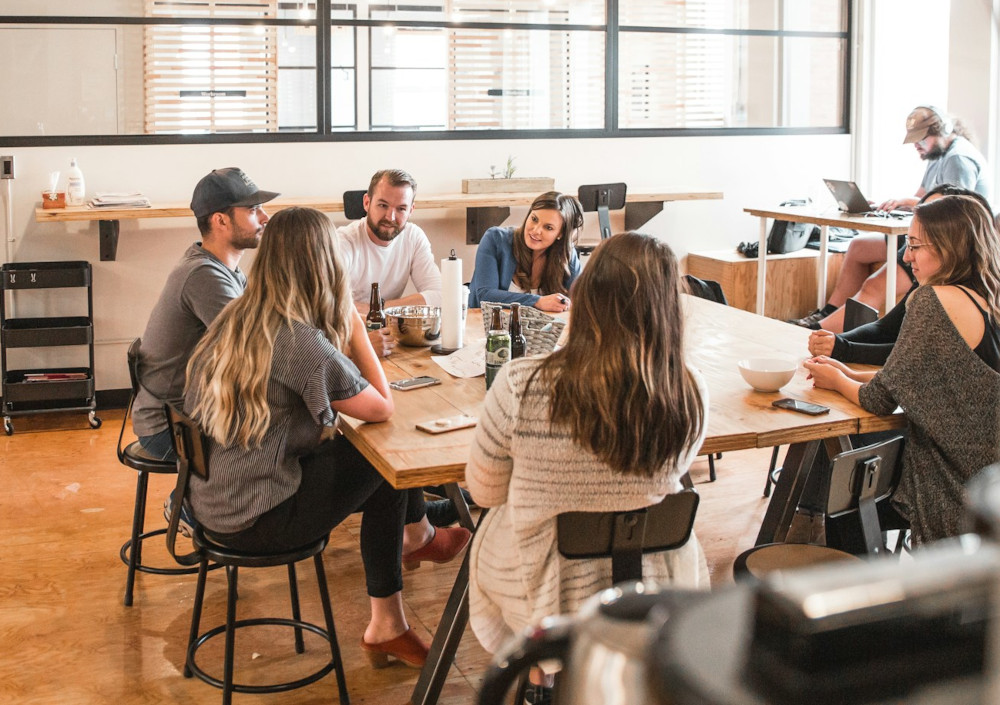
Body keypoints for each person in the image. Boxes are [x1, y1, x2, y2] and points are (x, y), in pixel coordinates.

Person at [183, 207, 470, 669]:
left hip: (213, 500)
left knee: (366, 458)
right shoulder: (298, 340)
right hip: (258, 518)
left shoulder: (237, 317)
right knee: (382, 461)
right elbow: (381, 405)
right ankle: (395, 601)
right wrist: (355, 324)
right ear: (326, 265)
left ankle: (410, 561)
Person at [467, 232, 710, 702]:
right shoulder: (689, 389)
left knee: (499, 523)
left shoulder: (524, 382)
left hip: (546, 583)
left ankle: (541, 675)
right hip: (651, 578)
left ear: (585, 295)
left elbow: (484, 492)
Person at [804, 194, 1000, 545]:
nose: (907, 257)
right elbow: (912, 378)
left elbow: (878, 399)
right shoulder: (987, 296)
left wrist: (836, 380)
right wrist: (845, 373)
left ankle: (864, 595)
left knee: (846, 501)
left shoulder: (934, 300)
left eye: (914, 245)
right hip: (988, 481)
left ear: (948, 247)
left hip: (955, 487)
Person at [791, 106, 993, 332]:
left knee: (874, 285)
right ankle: (830, 311)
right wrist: (895, 204)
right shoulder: (937, 155)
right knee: (858, 247)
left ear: (942, 131)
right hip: (929, 236)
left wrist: (911, 203)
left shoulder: (959, 159)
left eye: (921, 139)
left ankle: (821, 331)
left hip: (946, 244)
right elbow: (922, 197)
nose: (917, 146)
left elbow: (954, 213)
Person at [132, 167, 278, 461]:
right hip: (173, 429)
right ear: (221, 220)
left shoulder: (224, 270)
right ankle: (192, 505)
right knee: (289, 443)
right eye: (252, 210)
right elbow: (257, 348)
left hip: (191, 415)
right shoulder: (203, 275)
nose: (264, 218)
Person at [807, 185, 995, 365]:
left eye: (915, 243)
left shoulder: (948, 297)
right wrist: (834, 340)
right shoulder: (943, 282)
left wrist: (841, 348)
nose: (906, 257)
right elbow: (888, 329)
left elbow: (906, 361)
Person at [337, 169, 441, 358]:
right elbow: (331, 307)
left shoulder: (414, 237)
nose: (390, 217)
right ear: (367, 203)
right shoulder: (343, 242)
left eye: (401, 209)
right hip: (348, 343)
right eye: (383, 205)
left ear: (411, 210)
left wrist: (381, 311)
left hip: (391, 342)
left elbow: (439, 296)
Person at [468, 191, 584, 313]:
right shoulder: (495, 239)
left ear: (560, 234)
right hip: (485, 328)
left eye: (548, 227)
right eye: (534, 219)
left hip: (543, 331)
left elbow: (581, 300)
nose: (536, 230)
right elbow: (485, 296)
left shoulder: (566, 254)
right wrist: (537, 301)